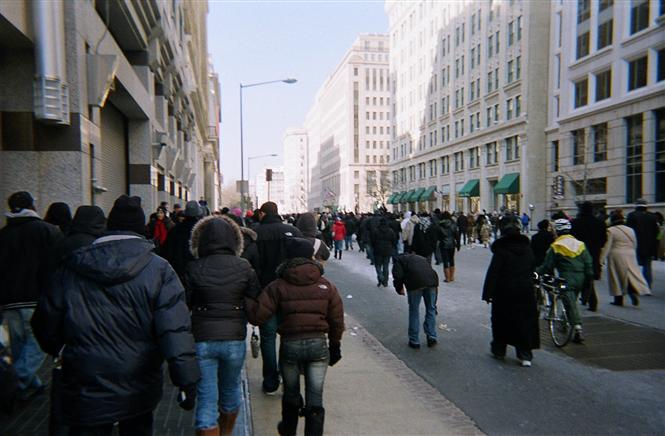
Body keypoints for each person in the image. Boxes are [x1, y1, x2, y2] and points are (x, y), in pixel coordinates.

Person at [31, 195, 200, 435]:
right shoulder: (159, 270)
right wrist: (186, 379)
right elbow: (174, 329)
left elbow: (45, 321)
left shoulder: (72, 266)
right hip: (139, 378)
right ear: (142, 227)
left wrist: (64, 349)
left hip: (86, 378)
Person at [246, 238, 344, 436]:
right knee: (315, 398)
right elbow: (336, 321)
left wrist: (248, 296)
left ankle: (288, 429)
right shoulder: (326, 285)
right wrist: (335, 346)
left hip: (291, 345)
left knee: (291, 393)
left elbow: (258, 316)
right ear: (311, 257)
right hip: (318, 345)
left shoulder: (277, 286)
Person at [185, 215, 261, 435]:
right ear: (234, 241)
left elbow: (186, 301)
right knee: (230, 390)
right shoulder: (244, 266)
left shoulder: (194, 267)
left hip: (202, 338)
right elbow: (254, 295)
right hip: (234, 337)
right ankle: (227, 432)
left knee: (206, 398)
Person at [0, 191, 62, 399]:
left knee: (18, 343)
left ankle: (31, 383)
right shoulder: (47, 231)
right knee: (38, 342)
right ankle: (16, 380)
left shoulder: (4, 234)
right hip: (36, 297)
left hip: (8, 299)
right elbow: (56, 265)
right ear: (32, 206)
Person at [254, 201, 303, 395]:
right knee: (289, 335)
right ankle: (287, 375)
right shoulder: (293, 232)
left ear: (263, 214)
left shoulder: (256, 234)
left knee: (268, 336)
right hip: (290, 291)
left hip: (265, 291)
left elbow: (252, 263)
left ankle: (270, 380)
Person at [482, 216, 539, 367]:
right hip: (525, 291)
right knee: (524, 322)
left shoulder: (501, 250)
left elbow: (494, 272)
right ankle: (525, 354)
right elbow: (533, 266)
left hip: (504, 292)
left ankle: (499, 350)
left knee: (501, 322)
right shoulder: (527, 249)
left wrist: (488, 293)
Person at [537, 219, 593, 344]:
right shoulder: (580, 244)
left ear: (557, 231)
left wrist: (536, 272)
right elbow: (588, 262)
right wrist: (589, 276)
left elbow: (547, 266)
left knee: (569, 302)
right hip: (581, 277)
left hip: (566, 278)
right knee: (572, 301)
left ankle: (577, 328)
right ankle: (566, 321)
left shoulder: (556, 246)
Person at [600, 211, 650, 306]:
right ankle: (632, 291)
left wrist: (601, 259)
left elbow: (607, 246)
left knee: (616, 277)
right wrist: (633, 252)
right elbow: (635, 243)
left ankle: (618, 299)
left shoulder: (611, 230)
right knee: (630, 275)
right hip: (630, 254)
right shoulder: (631, 230)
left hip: (616, 254)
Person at [392, 252, 439, 349]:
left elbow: (398, 276)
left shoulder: (398, 261)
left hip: (414, 284)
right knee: (431, 309)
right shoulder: (420, 257)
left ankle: (414, 340)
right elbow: (430, 271)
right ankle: (431, 336)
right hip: (432, 281)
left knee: (414, 311)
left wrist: (399, 288)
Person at [571, 201, 608, 312]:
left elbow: (572, 238)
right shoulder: (600, 223)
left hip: (579, 252)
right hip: (594, 252)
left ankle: (583, 299)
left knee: (580, 276)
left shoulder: (575, 223)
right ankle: (590, 300)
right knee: (589, 276)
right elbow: (604, 239)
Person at [163, 200, 202, 283]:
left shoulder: (175, 230)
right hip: (199, 272)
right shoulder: (203, 230)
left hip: (178, 272)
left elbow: (167, 252)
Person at [626, 199, 659, 289]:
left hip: (635, 245)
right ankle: (647, 286)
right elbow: (657, 232)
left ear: (636, 205)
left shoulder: (631, 216)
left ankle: (635, 285)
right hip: (649, 246)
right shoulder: (653, 217)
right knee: (647, 266)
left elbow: (628, 231)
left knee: (634, 266)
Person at [371, 217, 397, 287]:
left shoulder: (376, 230)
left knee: (378, 265)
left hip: (378, 250)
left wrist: (374, 247)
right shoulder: (391, 231)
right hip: (387, 250)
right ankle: (385, 281)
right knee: (386, 266)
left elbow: (373, 241)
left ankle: (380, 277)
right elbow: (394, 241)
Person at [438, 211, 460, 282]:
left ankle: (447, 277)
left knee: (445, 261)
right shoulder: (453, 224)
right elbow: (457, 235)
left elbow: (438, 236)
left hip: (443, 244)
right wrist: (458, 244)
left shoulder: (440, 225)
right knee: (451, 260)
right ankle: (452, 276)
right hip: (452, 244)